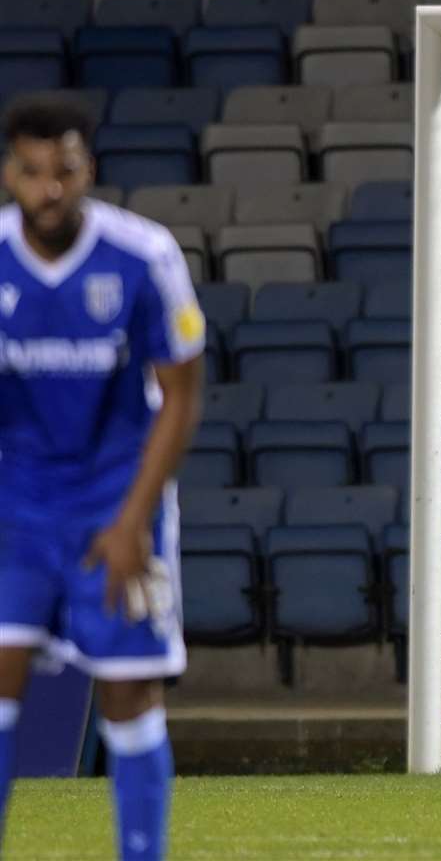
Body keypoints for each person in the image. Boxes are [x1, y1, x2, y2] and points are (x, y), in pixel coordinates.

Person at [0, 96, 205, 860]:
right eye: (32, 171)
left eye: (65, 170)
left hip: (117, 499)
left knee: (128, 691)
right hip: (17, 505)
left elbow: (180, 393)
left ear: (89, 169)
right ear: (9, 173)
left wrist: (131, 523)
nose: (49, 188)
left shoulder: (143, 256)